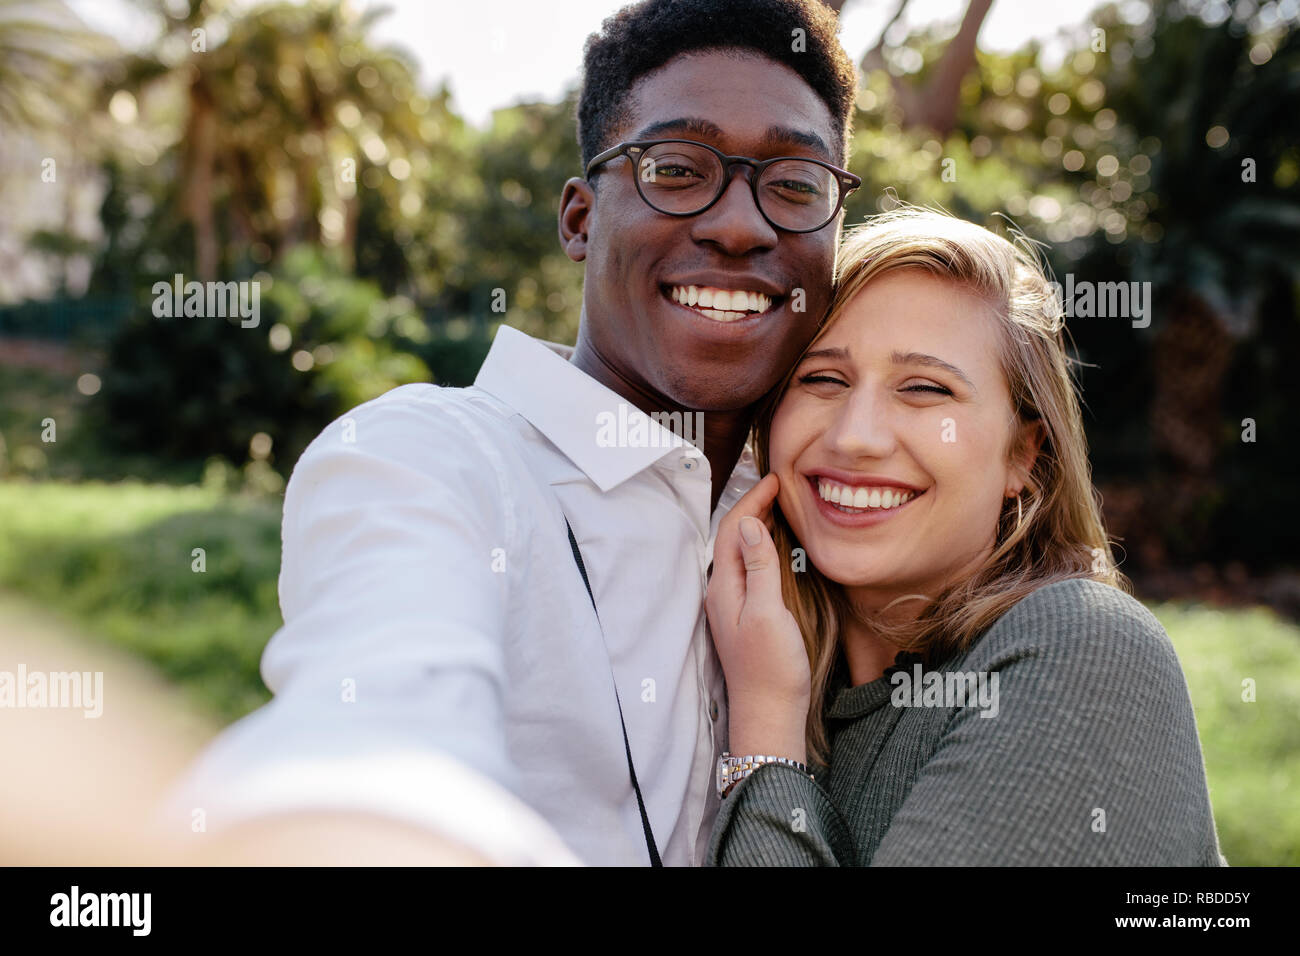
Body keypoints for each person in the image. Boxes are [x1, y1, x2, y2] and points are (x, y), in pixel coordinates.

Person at [161, 0, 860, 866]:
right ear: (578, 219)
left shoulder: (828, 511)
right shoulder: (426, 459)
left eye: (795, 185)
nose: (741, 223)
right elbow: (378, 730)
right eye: (677, 169)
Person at [704, 206, 1228, 865]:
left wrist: (765, 742)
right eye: (822, 378)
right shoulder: (758, 658)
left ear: (1024, 457)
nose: (854, 437)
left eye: (925, 388)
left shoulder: (1086, 648)